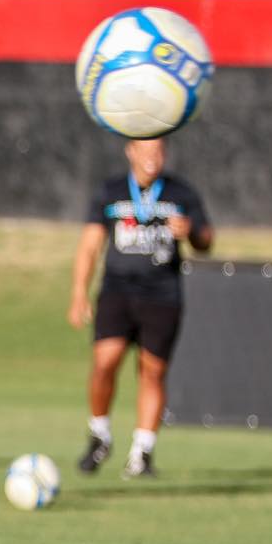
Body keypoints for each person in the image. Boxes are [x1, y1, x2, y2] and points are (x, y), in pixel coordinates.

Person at [68, 137, 213, 479]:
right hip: (117, 291)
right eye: (145, 150)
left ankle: (142, 453)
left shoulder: (181, 193)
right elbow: (89, 246)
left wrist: (191, 232)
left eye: (158, 150)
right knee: (105, 362)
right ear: (130, 151)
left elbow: (206, 242)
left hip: (162, 294)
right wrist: (78, 293)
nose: (152, 157)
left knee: (152, 371)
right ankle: (100, 434)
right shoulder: (111, 191)